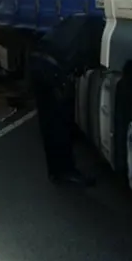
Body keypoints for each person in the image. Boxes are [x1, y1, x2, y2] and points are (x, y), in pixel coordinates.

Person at [29, 14, 104, 188]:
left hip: (37, 61)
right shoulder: (97, 33)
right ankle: (67, 172)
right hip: (52, 69)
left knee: (48, 122)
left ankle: (55, 172)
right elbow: (87, 60)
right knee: (59, 122)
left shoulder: (81, 20)